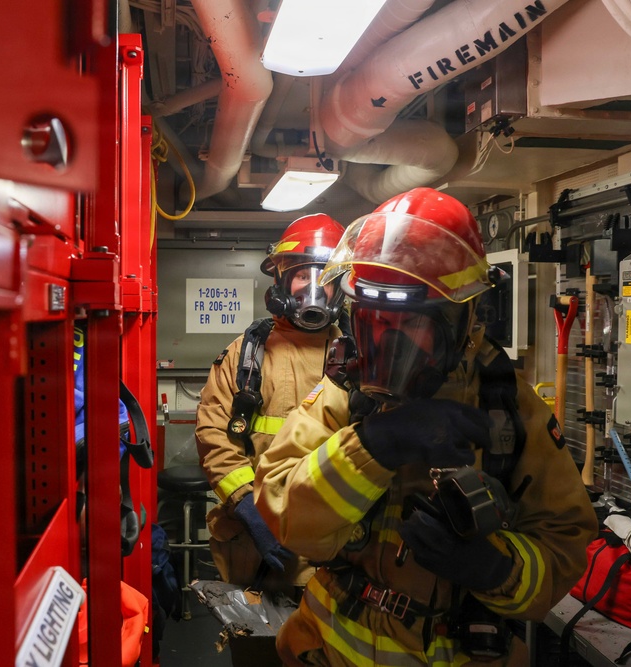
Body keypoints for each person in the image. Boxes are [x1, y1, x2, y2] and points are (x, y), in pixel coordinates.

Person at [254, 188, 598, 666]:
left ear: (462, 317)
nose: (384, 343)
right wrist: (372, 445)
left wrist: (495, 568)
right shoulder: (345, 392)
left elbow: (564, 547)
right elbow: (282, 515)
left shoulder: (508, 409)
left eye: (409, 322)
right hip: (326, 647)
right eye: (372, 320)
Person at [196, 213, 348, 591]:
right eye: (302, 276)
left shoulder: (360, 356)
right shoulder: (246, 353)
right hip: (255, 546)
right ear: (280, 283)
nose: (313, 288)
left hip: (336, 549)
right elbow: (213, 435)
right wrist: (249, 507)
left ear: (341, 286)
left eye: (325, 277)